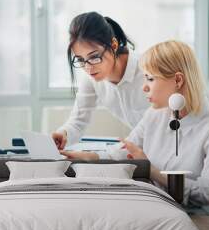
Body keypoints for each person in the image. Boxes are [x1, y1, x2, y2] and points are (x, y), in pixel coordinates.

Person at [61, 40, 209, 206]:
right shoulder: (155, 114)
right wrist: (88, 157)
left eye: (150, 79)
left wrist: (152, 171)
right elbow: (125, 151)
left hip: (192, 218)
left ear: (178, 80)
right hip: (153, 207)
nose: (144, 87)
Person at [52, 12, 150, 149]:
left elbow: (158, 124)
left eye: (94, 56)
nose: (88, 67)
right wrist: (63, 133)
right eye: (80, 60)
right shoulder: (92, 78)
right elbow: (78, 121)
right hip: (144, 149)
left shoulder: (147, 71)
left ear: (114, 45)